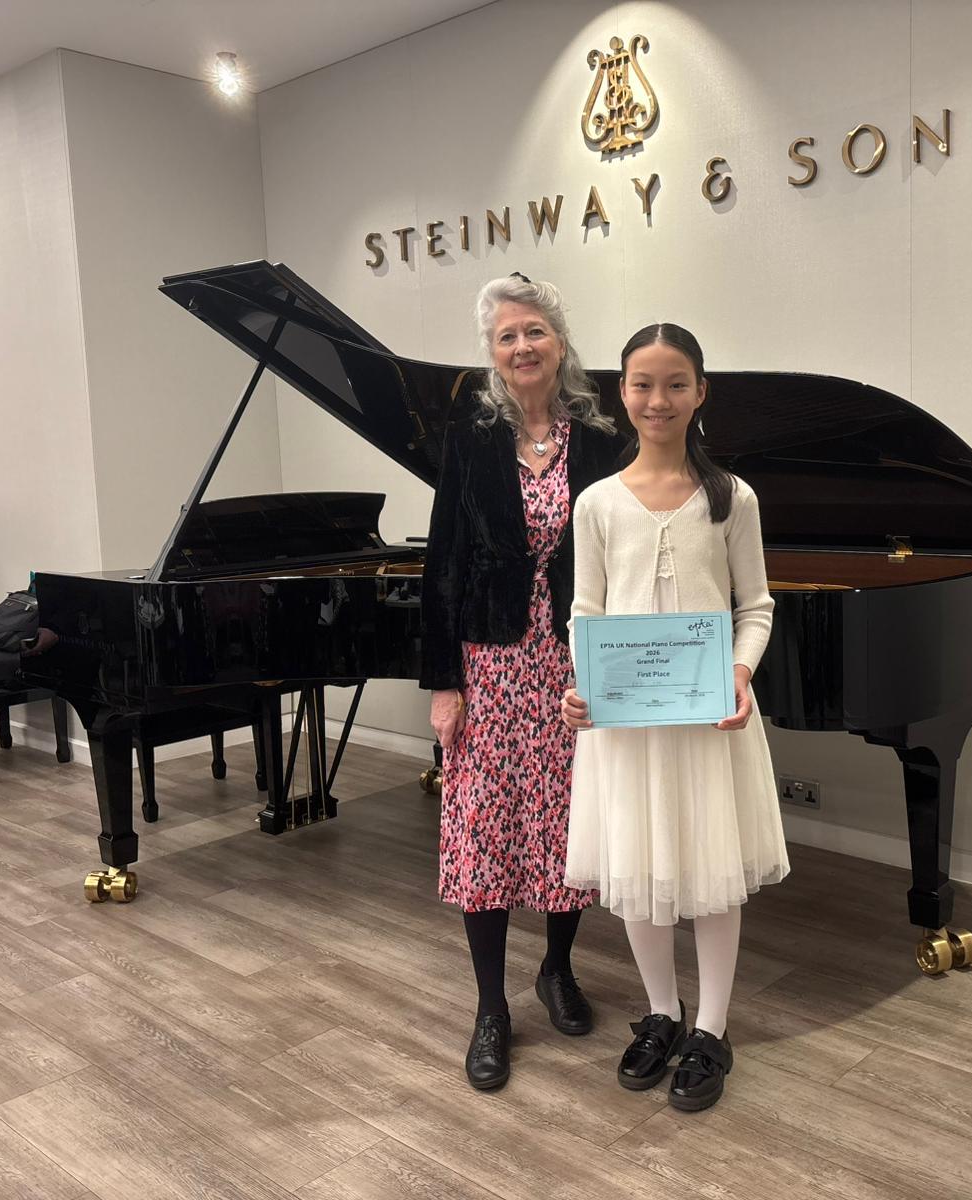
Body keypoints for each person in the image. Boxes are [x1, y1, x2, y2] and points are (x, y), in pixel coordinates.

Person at [561, 322, 790, 1113]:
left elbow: (756, 607)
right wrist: (582, 683)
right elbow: (585, 612)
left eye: (675, 383)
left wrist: (739, 671)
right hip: (626, 727)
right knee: (639, 869)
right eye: (641, 384)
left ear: (700, 392)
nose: (657, 399)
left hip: (708, 724)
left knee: (713, 872)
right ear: (621, 392)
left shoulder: (732, 498)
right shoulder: (596, 503)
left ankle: (712, 1026)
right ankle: (661, 1011)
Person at [421, 273, 625, 1092]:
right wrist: (444, 683)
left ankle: (558, 967)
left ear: (559, 340)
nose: (522, 346)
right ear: (493, 354)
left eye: (534, 330)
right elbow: (442, 562)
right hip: (492, 661)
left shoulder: (601, 437)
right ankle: (489, 1010)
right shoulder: (471, 439)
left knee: (568, 820)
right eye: (507, 336)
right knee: (488, 829)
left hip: (574, 659)